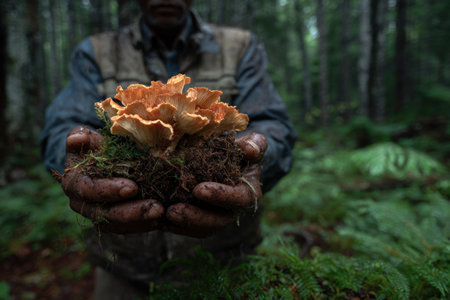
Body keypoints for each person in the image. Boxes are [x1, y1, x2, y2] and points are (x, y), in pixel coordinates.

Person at [41, 0, 296, 298]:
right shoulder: (95, 51)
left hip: (224, 264)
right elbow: (63, 128)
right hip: (122, 267)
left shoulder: (240, 45)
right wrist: (74, 160)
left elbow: (273, 126)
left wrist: (255, 157)